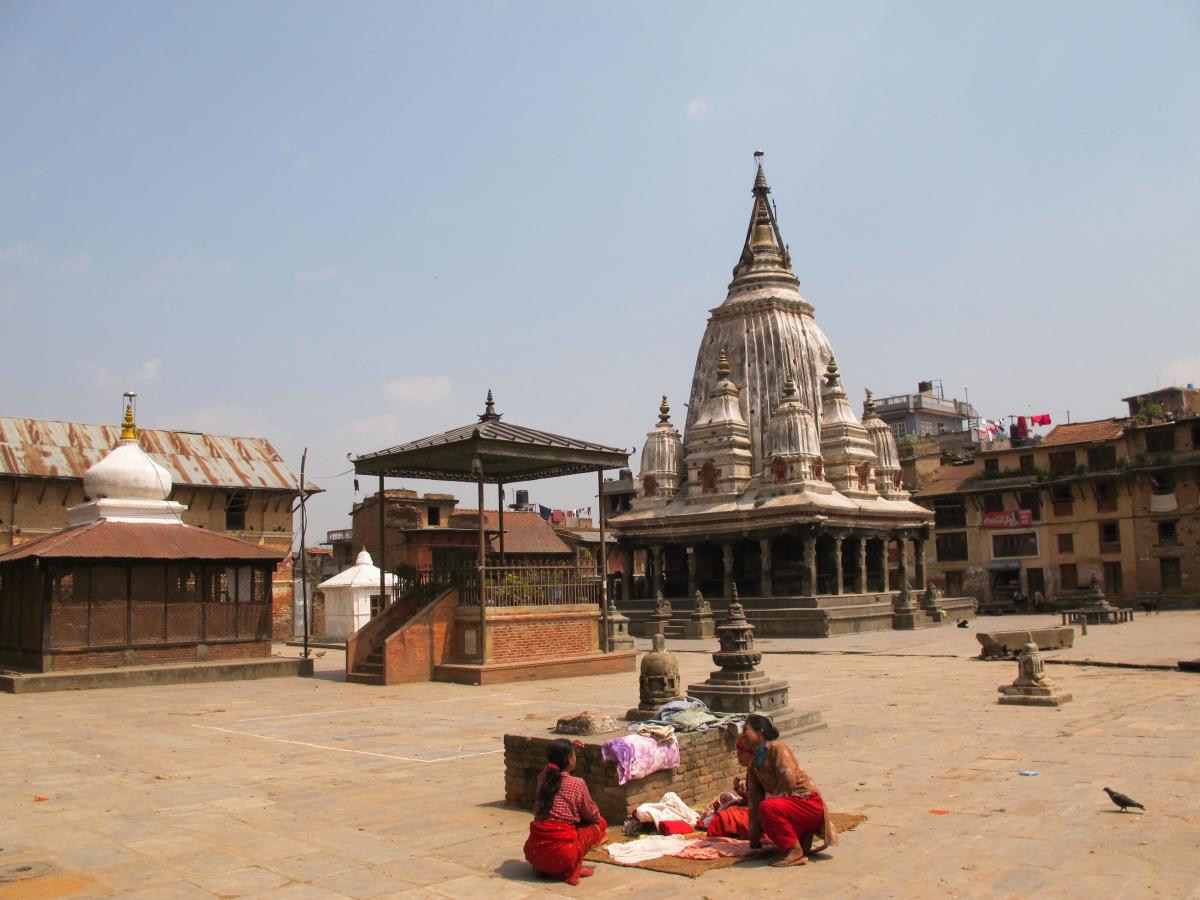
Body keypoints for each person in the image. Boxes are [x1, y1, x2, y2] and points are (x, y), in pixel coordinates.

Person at [742, 713, 838, 867]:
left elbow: (788, 778)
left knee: (768, 808)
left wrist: (772, 806)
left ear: (760, 732)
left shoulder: (777, 748)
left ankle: (794, 851)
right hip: (790, 805)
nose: (742, 736)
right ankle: (797, 843)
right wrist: (753, 836)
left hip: (807, 801)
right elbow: (754, 800)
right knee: (763, 811)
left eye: (745, 730)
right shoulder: (754, 764)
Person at [523, 738, 608, 885]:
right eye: (574, 755)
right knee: (600, 823)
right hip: (564, 855)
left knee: (572, 826)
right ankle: (574, 864)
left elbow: (549, 768)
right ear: (569, 759)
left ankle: (545, 867)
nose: (576, 758)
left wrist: (565, 748)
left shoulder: (542, 778)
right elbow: (592, 814)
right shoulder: (577, 783)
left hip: (534, 852)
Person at [704, 738, 752, 838]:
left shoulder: (761, 769)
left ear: (750, 753)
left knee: (725, 816)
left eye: (741, 754)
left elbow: (761, 798)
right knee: (726, 803)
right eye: (737, 754)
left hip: (760, 810)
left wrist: (745, 796)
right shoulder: (750, 770)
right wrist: (741, 791)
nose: (738, 758)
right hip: (752, 805)